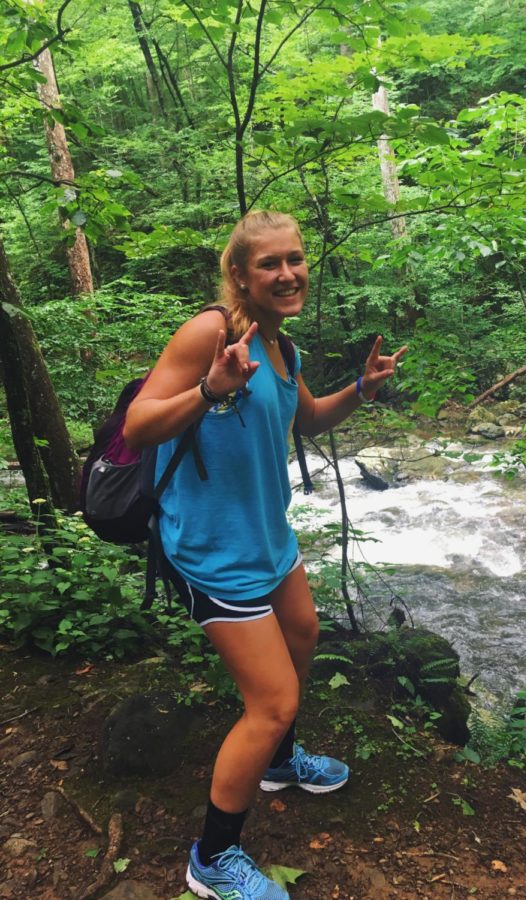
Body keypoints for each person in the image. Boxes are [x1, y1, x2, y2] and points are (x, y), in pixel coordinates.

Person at [124, 210, 407, 900]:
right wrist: (210, 389)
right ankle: (212, 857)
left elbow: (304, 418)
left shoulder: (283, 347)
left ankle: (279, 764)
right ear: (240, 277)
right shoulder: (207, 334)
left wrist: (362, 390)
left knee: (305, 634)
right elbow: (137, 428)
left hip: (269, 540)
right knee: (273, 701)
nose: (287, 273)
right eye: (269, 264)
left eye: (295, 259)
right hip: (212, 552)